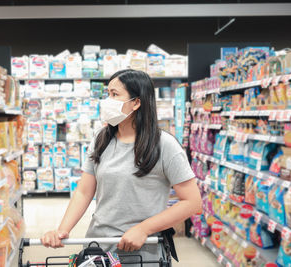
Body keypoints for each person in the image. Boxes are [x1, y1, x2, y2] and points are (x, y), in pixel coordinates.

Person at [41, 69, 202, 265]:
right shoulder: (102, 139)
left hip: (142, 253)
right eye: (108, 94)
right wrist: (62, 230)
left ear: (136, 102)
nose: (107, 101)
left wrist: (144, 229)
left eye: (115, 94)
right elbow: (84, 192)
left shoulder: (164, 145)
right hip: (98, 247)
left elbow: (192, 202)